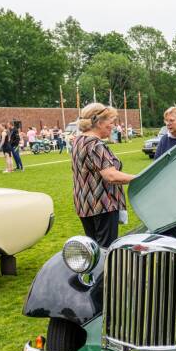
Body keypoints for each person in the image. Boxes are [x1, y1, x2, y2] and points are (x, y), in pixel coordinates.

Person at [72, 103, 136, 246]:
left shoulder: (79, 140)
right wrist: (141, 178)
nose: (113, 126)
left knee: (94, 249)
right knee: (105, 250)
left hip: (85, 204)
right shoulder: (95, 145)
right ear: (99, 123)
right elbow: (111, 176)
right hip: (102, 204)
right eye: (111, 122)